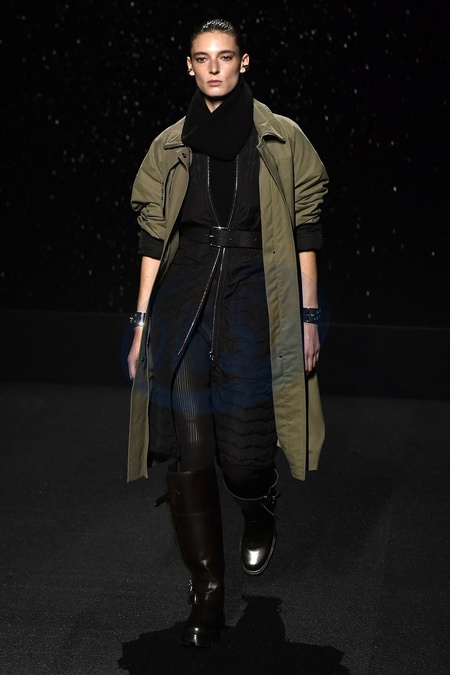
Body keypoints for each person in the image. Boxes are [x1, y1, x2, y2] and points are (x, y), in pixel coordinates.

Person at [127, 18, 328, 648]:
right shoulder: (169, 146)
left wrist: (309, 316)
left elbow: (305, 228)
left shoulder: (281, 137)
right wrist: (140, 323)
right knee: (190, 447)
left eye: (225, 56)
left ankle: (258, 502)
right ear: (189, 66)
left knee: (242, 457)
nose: (213, 67)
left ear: (244, 63)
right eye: (202, 58)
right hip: (184, 297)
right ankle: (207, 590)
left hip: (251, 295)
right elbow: (153, 240)